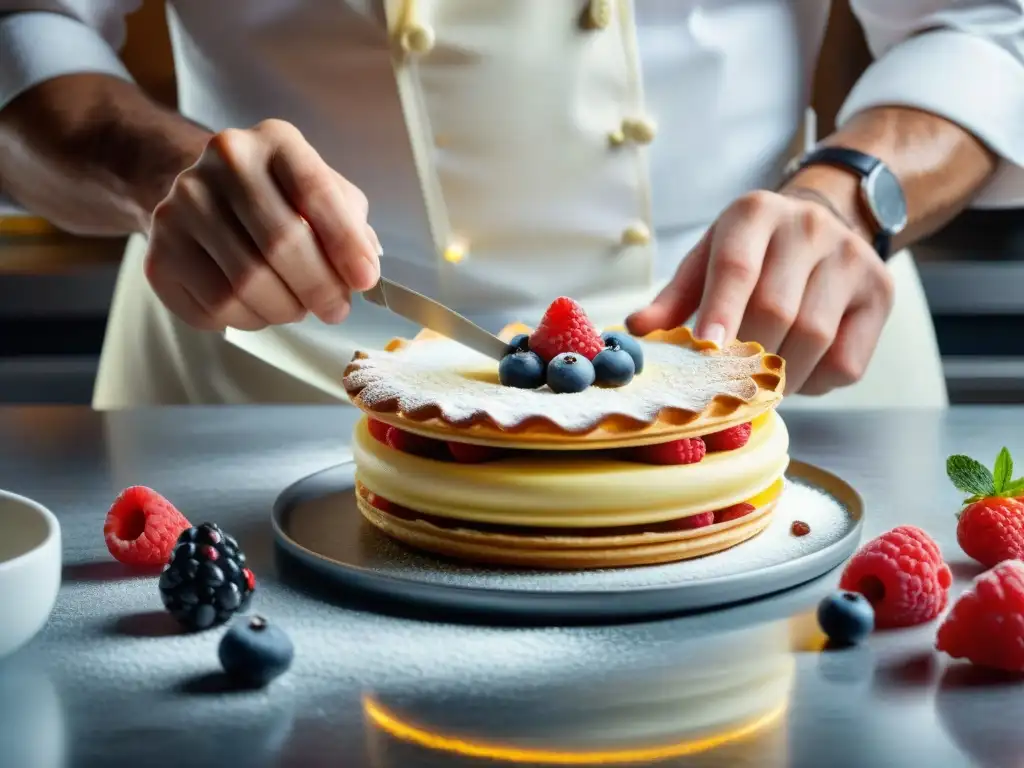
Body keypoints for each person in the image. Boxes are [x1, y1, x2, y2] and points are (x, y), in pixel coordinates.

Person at [0, 1, 1020, 410]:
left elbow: (980, 26)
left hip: (768, 363)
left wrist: (849, 198)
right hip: (269, 375)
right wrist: (158, 170)